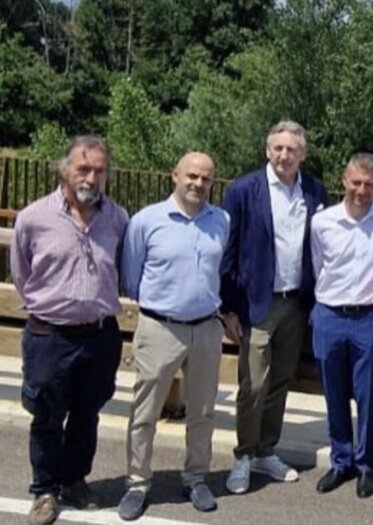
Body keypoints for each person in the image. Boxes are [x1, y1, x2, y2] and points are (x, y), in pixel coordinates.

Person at [11, 136, 129, 525]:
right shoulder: (34, 217)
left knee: (86, 414)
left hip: (99, 335)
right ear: (65, 170)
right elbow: (22, 273)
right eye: (83, 169)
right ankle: (45, 490)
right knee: (46, 415)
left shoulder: (117, 218)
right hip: (49, 336)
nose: (91, 178)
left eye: (99, 171)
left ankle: (75, 480)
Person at [115, 152, 229, 520]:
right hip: (159, 327)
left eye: (206, 178)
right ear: (175, 176)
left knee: (203, 411)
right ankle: (137, 483)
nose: (198, 183)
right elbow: (131, 276)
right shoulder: (147, 220)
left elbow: (222, 272)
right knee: (145, 412)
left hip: (206, 328)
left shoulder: (221, 221)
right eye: (192, 176)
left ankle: (196, 477)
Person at [220, 121, 329, 494]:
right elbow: (228, 252)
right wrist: (228, 309)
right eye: (278, 148)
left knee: (280, 381)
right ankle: (243, 455)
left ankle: (266, 451)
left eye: (292, 149)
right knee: (253, 384)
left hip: (296, 303)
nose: (285, 155)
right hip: (256, 304)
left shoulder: (314, 190)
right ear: (268, 151)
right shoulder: (243, 190)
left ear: (303, 154)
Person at [310, 153, 373, 497]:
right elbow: (317, 265)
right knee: (334, 393)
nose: (361, 190)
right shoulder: (322, 222)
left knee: (368, 395)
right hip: (329, 314)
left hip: (369, 316)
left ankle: (366, 465)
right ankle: (341, 461)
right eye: (356, 183)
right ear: (344, 181)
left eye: (368, 184)